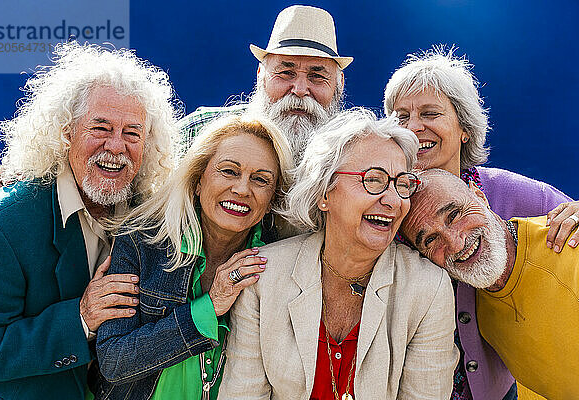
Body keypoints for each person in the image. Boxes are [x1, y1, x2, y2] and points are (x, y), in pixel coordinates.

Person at [0, 42, 180, 399]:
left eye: (132, 133)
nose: (116, 147)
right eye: (100, 128)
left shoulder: (153, 215)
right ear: (66, 131)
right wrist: (81, 318)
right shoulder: (0, 224)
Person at [219, 109, 458, 399]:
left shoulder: (427, 288)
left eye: (403, 184)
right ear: (324, 192)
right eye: (374, 180)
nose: (393, 200)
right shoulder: (264, 278)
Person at [383, 48, 575, 400]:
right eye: (401, 117)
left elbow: (570, 217)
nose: (413, 127)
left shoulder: (505, 190)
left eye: (430, 113)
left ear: (465, 129)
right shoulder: (387, 203)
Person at [93, 114, 293, 400]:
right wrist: (208, 309)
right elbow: (114, 361)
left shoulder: (277, 260)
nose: (241, 189)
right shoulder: (144, 240)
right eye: (229, 171)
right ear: (198, 181)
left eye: (260, 180)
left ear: (272, 197)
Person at [401, 168, 579, 400]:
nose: (456, 244)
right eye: (431, 240)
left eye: (454, 215)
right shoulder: (479, 312)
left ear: (480, 196)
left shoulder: (569, 246)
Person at [178, 5, 351, 163]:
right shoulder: (198, 131)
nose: (299, 90)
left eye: (317, 76)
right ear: (261, 76)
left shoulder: (354, 152)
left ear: (340, 84)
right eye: (286, 73)